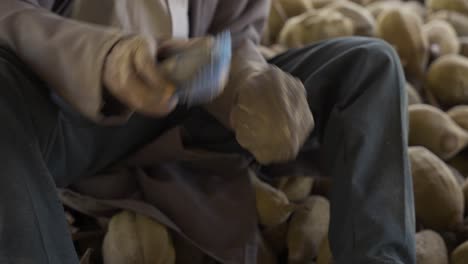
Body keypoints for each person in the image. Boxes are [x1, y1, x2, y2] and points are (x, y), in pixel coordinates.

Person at [0, 0, 415, 263]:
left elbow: (234, 36)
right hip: (59, 122)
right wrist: (106, 59)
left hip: (180, 112)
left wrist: (250, 84)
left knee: (370, 63)